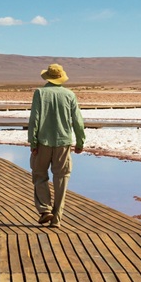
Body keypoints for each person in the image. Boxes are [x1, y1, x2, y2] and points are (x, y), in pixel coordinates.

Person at [28, 63, 85, 227]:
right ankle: (57, 218)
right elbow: (78, 121)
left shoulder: (40, 93)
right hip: (63, 143)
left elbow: (34, 119)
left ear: (47, 77)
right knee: (61, 179)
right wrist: (80, 141)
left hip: (42, 142)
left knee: (39, 175)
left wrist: (33, 141)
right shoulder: (69, 95)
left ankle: (45, 209)